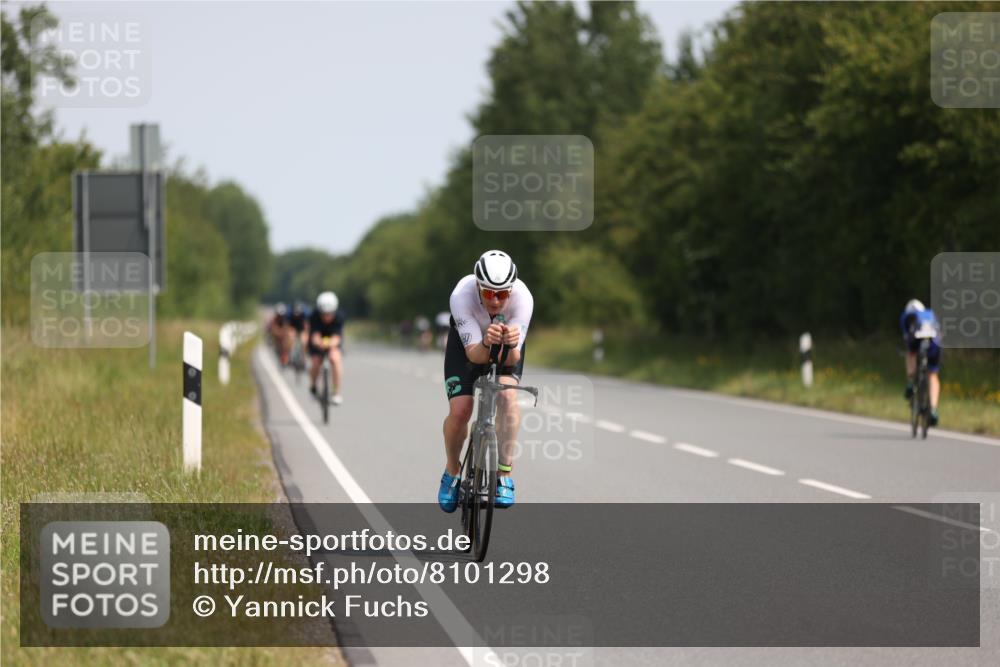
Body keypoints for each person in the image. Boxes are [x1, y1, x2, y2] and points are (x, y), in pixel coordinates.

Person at [438, 250, 533, 512]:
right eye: (489, 292)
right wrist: (487, 340)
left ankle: (504, 474)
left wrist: (509, 342)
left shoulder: (523, 298)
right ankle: (452, 470)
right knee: (461, 411)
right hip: (468, 346)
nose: (495, 300)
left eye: (502, 294)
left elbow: (513, 358)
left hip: (506, 345)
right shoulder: (461, 296)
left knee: (507, 396)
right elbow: (474, 355)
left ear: (511, 290)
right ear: (478, 286)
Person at [900, 298, 942, 426]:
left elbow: (907, 336)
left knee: (911, 353)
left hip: (917, 338)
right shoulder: (930, 313)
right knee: (933, 374)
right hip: (935, 341)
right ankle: (933, 409)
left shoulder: (906, 316)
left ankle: (911, 382)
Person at [308, 291, 345, 405]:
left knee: (335, 359)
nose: (326, 316)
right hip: (318, 340)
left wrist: (330, 344)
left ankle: (336, 392)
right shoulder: (314, 316)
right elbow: (314, 335)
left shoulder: (339, 317)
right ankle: (313, 386)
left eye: (329, 313)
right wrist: (318, 343)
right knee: (315, 362)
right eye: (323, 313)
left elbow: (337, 336)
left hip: (332, 339)